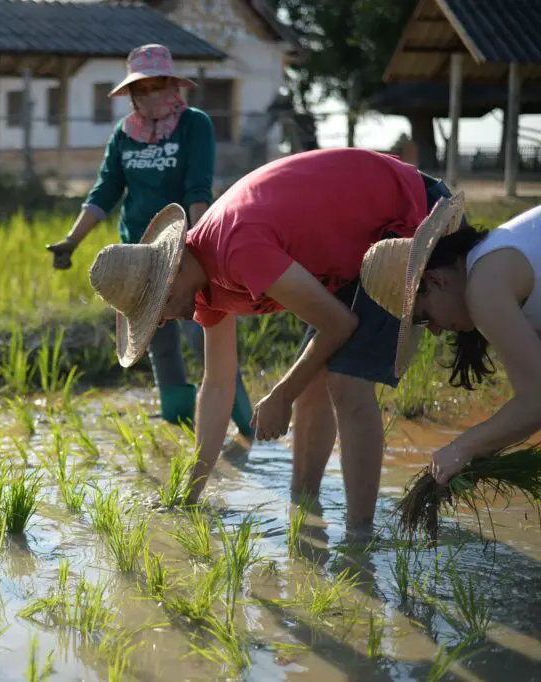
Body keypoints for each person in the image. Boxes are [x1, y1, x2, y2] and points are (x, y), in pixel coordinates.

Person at [87, 147, 465, 536]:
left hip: (410, 214)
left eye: (159, 306)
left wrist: (280, 395)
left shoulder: (236, 247)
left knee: (346, 381)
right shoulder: (202, 286)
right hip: (354, 248)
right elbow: (217, 385)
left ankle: (359, 539)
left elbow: (339, 325)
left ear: (173, 271)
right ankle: (304, 510)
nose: (164, 319)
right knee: (312, 377)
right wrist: (191, 492)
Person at [45, 43, 254, 439]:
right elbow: (105, 192)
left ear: (172, 86)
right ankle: (176, 422)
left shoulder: (195, 125)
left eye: (156, 86)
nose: (148, 96)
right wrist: (71, 241)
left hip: (181, 248)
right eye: (140, 89)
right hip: (139, 255)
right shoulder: (124, 135)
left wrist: (195, 250)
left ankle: (248, 425)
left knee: (203, 337)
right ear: (131, 93)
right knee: (157, 340)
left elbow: (197, 189)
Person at [360, 202, 541, 486]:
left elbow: (537, 401)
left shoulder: (485, 288)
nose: (433, 330)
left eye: (423, 317)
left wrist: (461, 448)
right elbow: (531, 401)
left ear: (434, 280)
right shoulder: (498, 264)